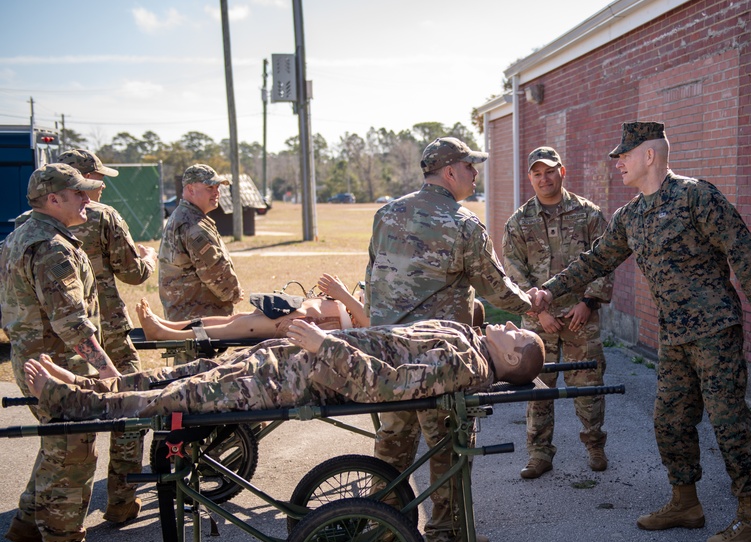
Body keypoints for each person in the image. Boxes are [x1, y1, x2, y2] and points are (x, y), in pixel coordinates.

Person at [529, 122, 751, 542]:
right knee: (670, 421)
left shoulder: (695, 197)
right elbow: (596, 259)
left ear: (649, 156)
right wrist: (551, 289)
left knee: (728, 423)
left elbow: (743, 247)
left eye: (624, 157)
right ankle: (685, 503)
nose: (619, 164)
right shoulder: (632, 215)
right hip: (675, 336)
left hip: (714, 331)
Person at [366, 136, 534, 542]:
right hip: (438, 361)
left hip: (386, 355)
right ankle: (444, 535)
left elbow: (373, 275)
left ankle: (385, 535)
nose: (475, 173)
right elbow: (496, 288)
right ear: (450, 172)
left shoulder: (386, 213)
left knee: (392, 445)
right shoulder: (462, 223)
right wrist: (535, 303)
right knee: (449, 447)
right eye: (470, 166)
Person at [24, 320, 545, 425]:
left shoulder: (464, 365)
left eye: (518, 335)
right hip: (295, 358)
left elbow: (384, 384)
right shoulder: (466, 336)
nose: (511, 326)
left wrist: (323, 344)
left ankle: (71, 404)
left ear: (513, 359)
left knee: (180, 396)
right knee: (190, 372)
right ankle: (89, 384)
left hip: (301, 376)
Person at [0, 163, 124, 542]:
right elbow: (72, 323)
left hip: (33, 358)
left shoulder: (21, 235)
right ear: (54, 200)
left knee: (55, 445)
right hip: (57, 366)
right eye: (80, 194)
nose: (89, 200)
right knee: (74, 453)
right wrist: (108, 371)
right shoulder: (52, 247)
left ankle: (28, 523)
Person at [56, 148, 158, 524]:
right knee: (130, 405)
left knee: (66, 423)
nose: (100, 187)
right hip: (108, 332)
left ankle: (41, 514)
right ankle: (121, 499)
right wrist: (149, 258)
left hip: (60, 337)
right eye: (96, 179)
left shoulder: (30, 222)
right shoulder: (103, 217)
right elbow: (132, 273)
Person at [503, 146, 613, 479]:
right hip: (539, 322)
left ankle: (595, 445)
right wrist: (538, 314)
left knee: (589, 385)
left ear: (561, 172)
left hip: (581, 316)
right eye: (536, 173)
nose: (543, 178)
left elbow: (605, 260)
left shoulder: (589, 214)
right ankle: (539, 453)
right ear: (530, 178)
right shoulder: (519, 221)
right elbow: (513, 271)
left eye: (549, 171)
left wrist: (588, 302)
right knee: (538, 387)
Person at [136, 274, 369, 341]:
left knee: (240, 326)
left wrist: (343, 295)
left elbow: (369, 324)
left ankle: (168, 335)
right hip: (307, 310)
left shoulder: (398, 311)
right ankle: (169, 326)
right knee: (236, 318)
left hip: (314, 322)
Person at [158, 163, 243, 323]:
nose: (216, 192)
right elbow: (214, 272)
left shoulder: (183, 216)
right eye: (210, 187)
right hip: (199, 319)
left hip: (188, 316)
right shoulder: (193, 225)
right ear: (190, 189)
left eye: (217, 187)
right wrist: (235, 293)